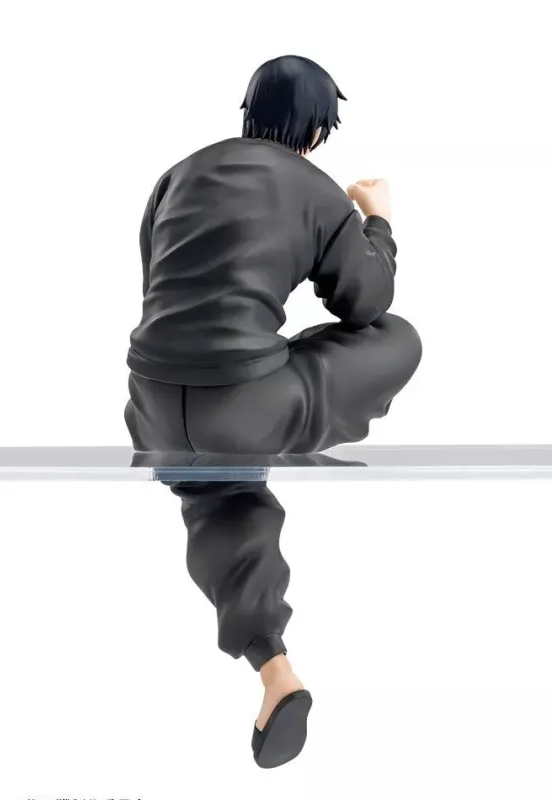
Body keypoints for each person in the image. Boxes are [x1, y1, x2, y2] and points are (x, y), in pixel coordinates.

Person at [124, 54, 422, 768]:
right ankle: (291, 418)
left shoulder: (177, 175)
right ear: (316, 130)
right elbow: (367, 300)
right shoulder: (313, 188)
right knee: (397, 338)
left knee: (223, 499)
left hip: (151, 405)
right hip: (247, 405)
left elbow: (162, 289)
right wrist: (377, 221)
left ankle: (275, 673)